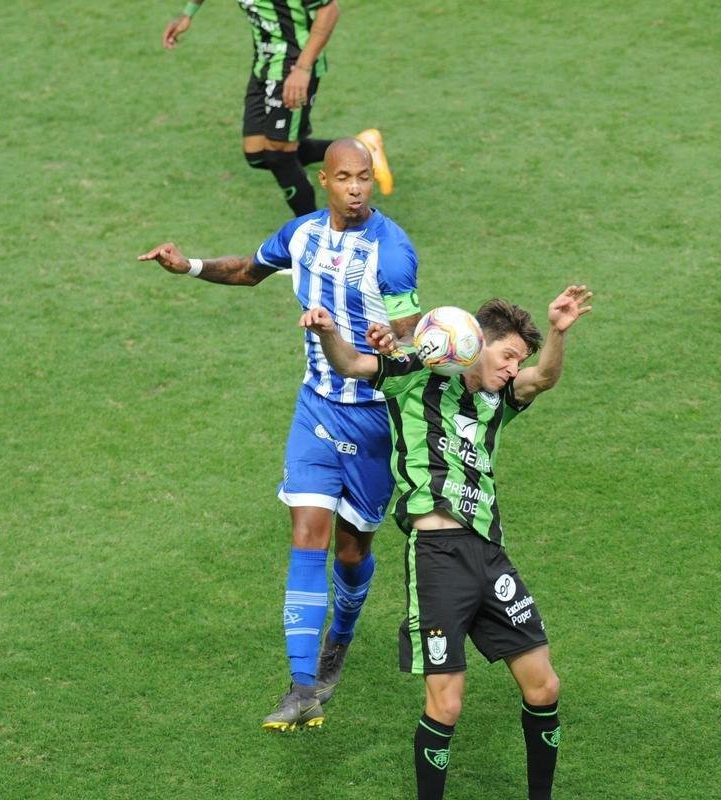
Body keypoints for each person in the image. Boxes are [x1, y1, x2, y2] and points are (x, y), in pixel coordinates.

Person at [138, 138, 420, 732]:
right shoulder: (302, 235)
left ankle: (339, 640)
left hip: (374, 417)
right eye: (345, 178)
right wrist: (188, 266)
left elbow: (409, 326)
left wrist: (393, 337)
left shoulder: (392, 250)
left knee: (352, 551)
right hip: (316, 408)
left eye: (364, 178)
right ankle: (301, 687)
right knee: (307, 534)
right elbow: (249, 270)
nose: (356, 189)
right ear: (325, 180)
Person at [300, 285, 593, 799]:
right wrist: (327, 332)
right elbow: (351, 364)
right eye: (508, 357)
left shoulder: (499, 400)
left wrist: (557, 332)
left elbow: (544, 377)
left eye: (518, 361)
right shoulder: (414, 377)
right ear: (476, 344)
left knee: (545, 686)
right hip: (437, 558)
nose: (513, 369)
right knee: (446, 704)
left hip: (490, 555)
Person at [161, 0, 394, 217]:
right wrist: (188, 13)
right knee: (257, 154)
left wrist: (302, 69)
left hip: (296, 65)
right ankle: (362, 148)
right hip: (264, 63)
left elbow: (329, 10)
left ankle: (314, 235)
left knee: (278, 155)